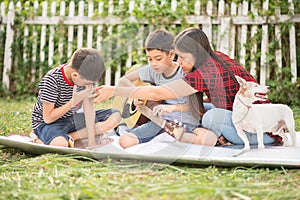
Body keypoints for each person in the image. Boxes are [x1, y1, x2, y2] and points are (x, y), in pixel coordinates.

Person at [94, 27, 276, 146]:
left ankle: (237, 138)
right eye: (178, 56)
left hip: (262, 128)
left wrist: (115, 90)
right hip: (256, 114)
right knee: (203, 108)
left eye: (183, 57)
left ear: (197, 53)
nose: (179, 62)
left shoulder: (205, 72)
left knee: (210, 117)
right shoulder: (214, 56)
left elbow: (161, 91)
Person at [116, 29, 216, 148]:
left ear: (171, 54)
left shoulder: (185, 72)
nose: (153, 63)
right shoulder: (152, 70)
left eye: (158, 59)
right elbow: (123, 80)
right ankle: (170, 135)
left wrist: (172, 108)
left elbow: (194, 106)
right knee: (125, 141)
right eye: (149, 59)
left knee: (209, 139)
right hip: (161, 122)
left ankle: (177, 136)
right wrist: (138, 94)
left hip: (189, 123)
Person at [31, 48, 121, 148]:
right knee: (60, 145)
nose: (89, 85)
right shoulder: (52, 80)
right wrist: (74, 101)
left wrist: (92, 142)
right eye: (88, 83)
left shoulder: (82, 77)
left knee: (115, 116)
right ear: (75, 75)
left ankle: (70, 138)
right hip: (48, 124)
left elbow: (88, 109)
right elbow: (48, 118)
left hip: (72, 120)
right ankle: (38, 138)